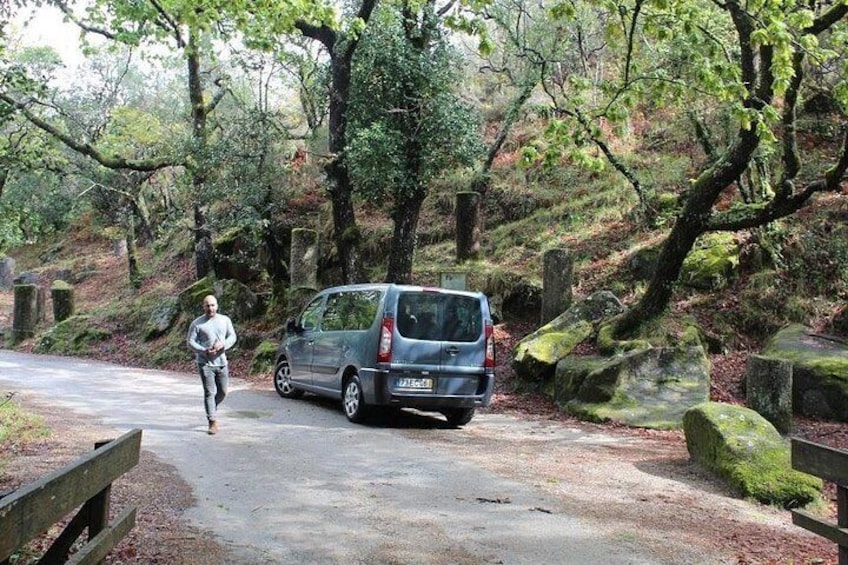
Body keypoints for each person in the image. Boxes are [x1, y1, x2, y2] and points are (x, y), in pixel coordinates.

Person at [187, 295, 237, 435]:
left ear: (217, 305)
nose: (210, 308)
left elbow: (233, 336)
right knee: (209, 392)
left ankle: (211, 409)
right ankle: (212, 421)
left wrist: (223, 344)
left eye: (213, 305)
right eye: (207, 306)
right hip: (205, 363)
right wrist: (203, 350)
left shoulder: (225, 320)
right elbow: (190, 342)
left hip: (221, 362)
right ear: (203, 307)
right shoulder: (197, 323)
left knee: (223, 392)